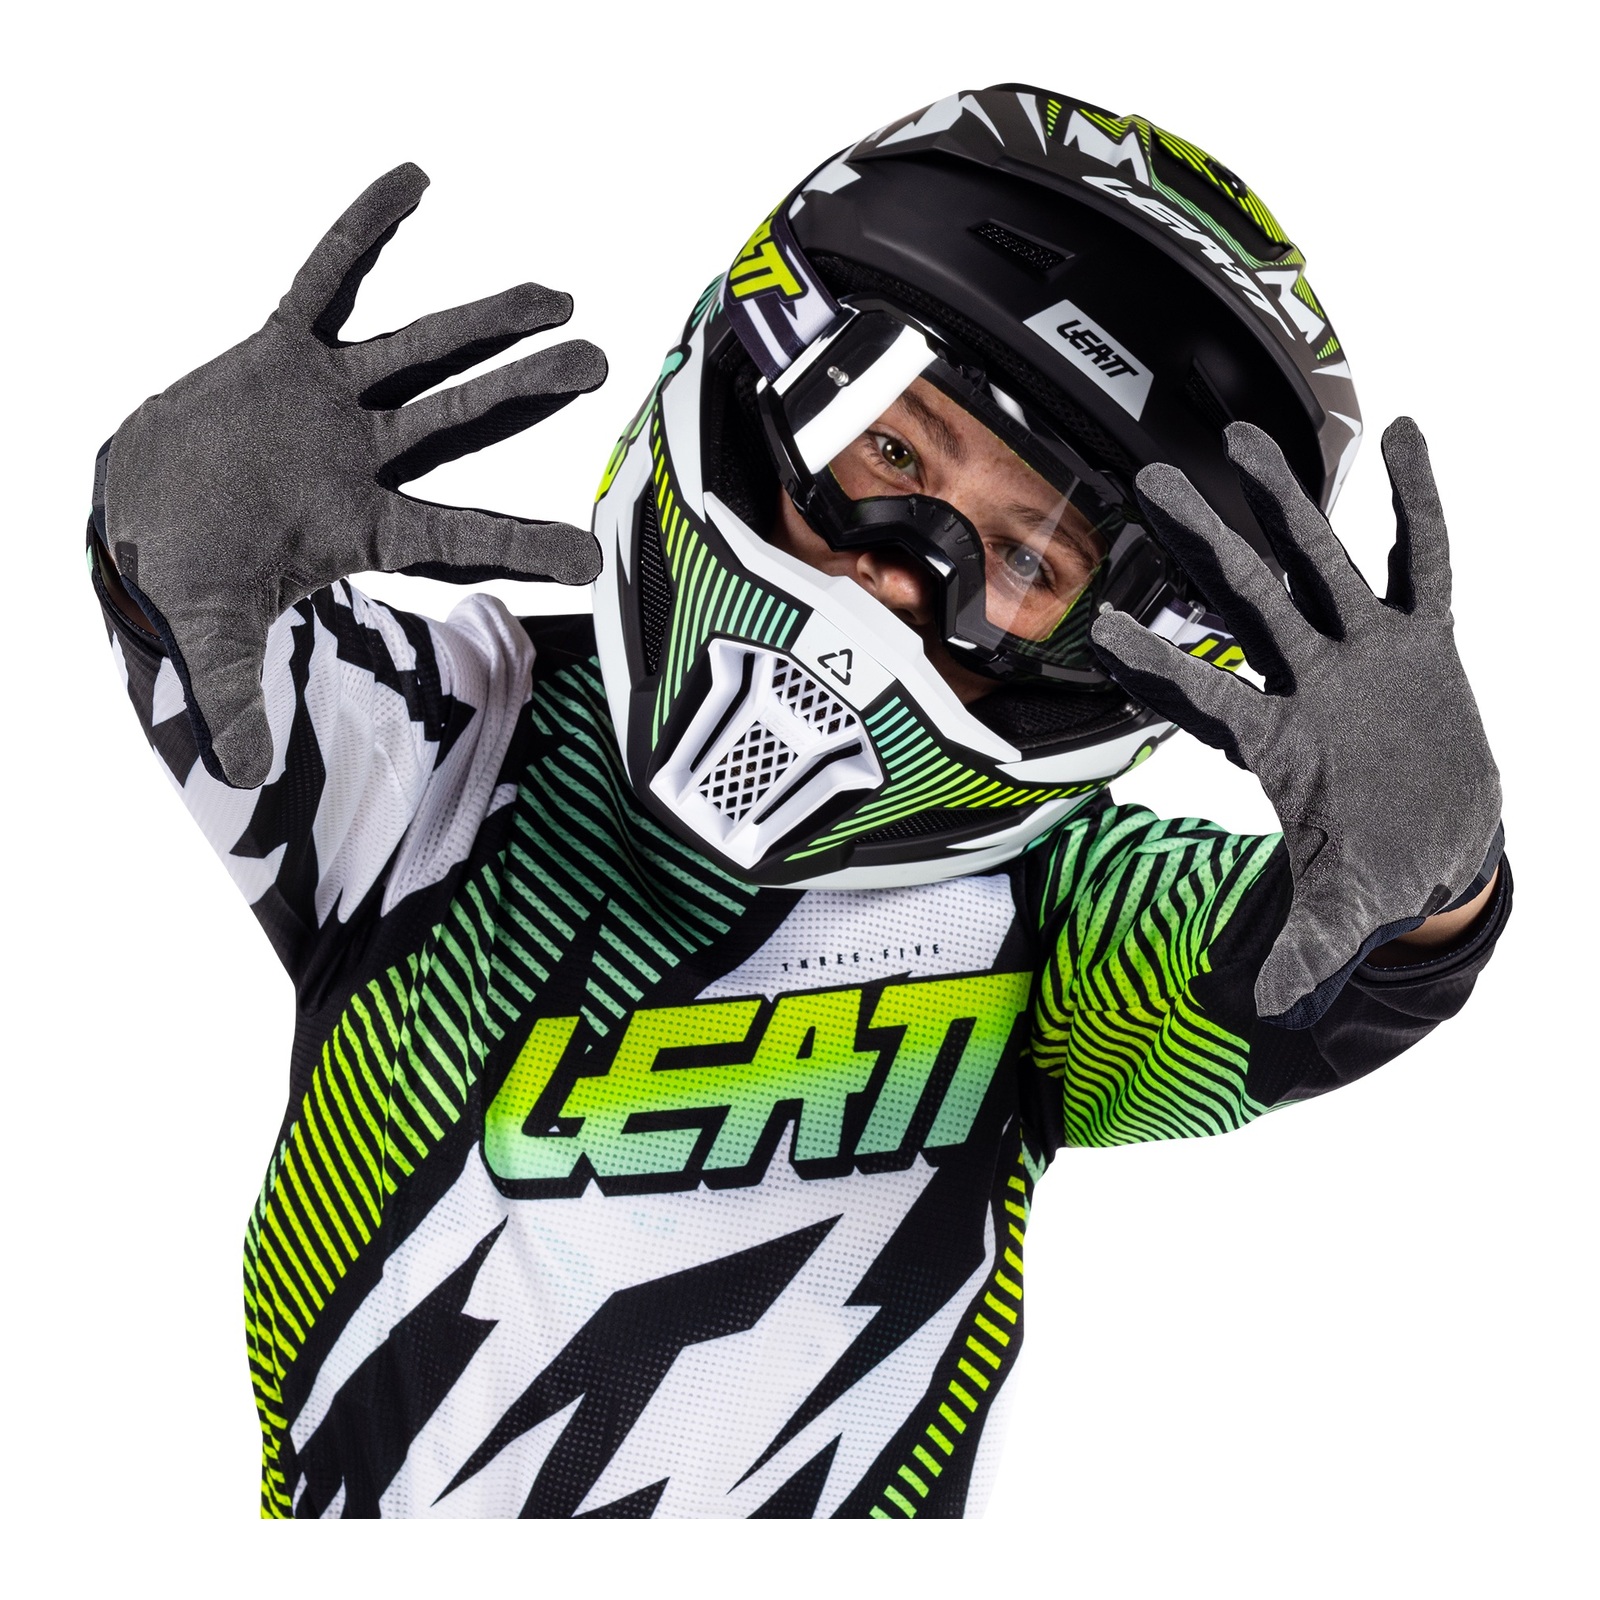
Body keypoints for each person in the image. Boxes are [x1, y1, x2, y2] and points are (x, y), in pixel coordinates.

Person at [90, 86, 1508, 1519]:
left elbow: (1311, 970)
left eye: (1023, 561)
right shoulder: (466, 730)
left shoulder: (1055, 910)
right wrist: (185, 516)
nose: (901, 572)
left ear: (1117, 651)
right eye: (889, 453)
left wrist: (1430, 874)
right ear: (756, 384)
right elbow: (222, 665)